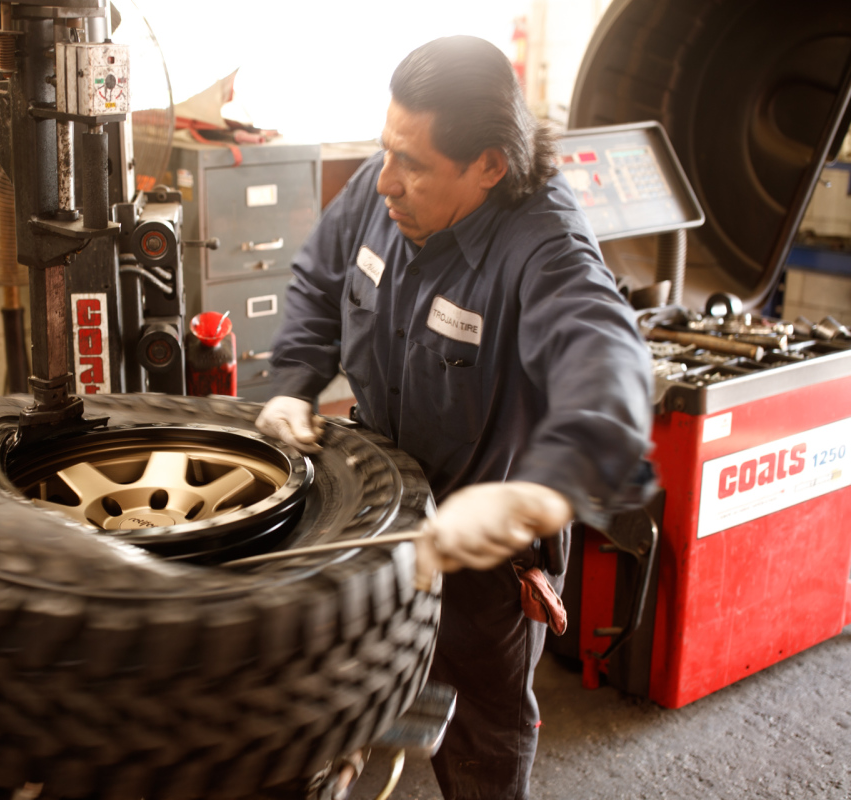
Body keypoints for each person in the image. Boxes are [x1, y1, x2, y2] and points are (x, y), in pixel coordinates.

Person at [256, 36, 653, 800]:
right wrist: (296, 384)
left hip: (486, 556)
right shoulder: (388, 188)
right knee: (339, 702)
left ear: (490, 166)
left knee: (479, 740)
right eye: (386, 151)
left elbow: (609, 367)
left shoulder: (545, 245)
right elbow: (318, 277)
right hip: (376, 516)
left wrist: (538, 493)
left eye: (414, 165)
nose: (386, 184)